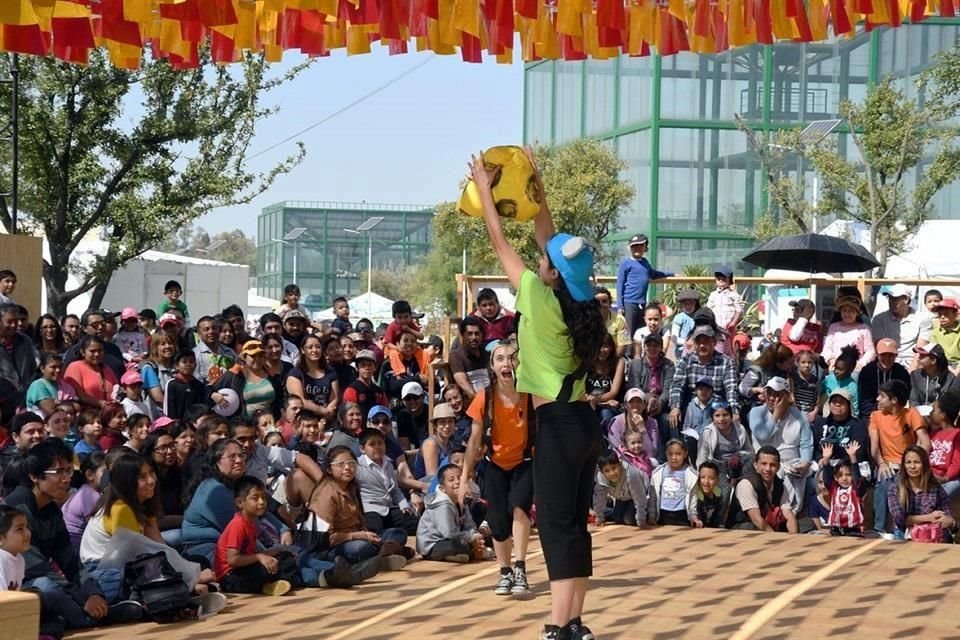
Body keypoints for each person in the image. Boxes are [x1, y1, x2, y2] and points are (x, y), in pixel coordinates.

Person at [470, 149, 606, 640]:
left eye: (545, 258)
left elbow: (498, 239)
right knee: (573, 523)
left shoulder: (536, 295)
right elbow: (547, 237)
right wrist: (536, 186)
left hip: (559, 427)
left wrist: (486, 191)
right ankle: (574, 623)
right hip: (586, 425)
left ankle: (557, 622)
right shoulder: (584, 301)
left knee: (555, 525)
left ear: (550, 272)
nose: (539, 254)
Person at [6, 440, 142, 629]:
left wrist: (93, 594)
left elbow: (70, 561)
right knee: (46, 586)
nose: (66, 479)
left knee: (110, 575)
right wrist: (81, 598)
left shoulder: (51, 509)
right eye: (59, 472)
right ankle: (91, 618)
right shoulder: (16, 508)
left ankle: (74, 613)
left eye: (69, 471)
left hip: (44, 584)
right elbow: (36, 568)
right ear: (34, 476)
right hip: (13, 587)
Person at [459, 339, 534, 597]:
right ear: (492, 366)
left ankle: (520, 567)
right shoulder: (484, 397)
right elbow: (474, 440)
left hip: (525, 462)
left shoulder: (531, 395)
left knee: (520, 509)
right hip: (495, 464)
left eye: (512, 357)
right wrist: (463, 480)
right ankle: (504, 572)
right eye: (500, 358)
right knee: (498, 520)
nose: (507, 363)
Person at [308, 445, 411, 570]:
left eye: (351, 463)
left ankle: (380, 556)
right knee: (361, 548)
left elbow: (360, 521)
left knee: (398, 533)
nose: (347, 468)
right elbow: (325, 539)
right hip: (333, 546)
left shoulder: (352, 487)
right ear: (329, 469)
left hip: (358, 537)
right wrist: (359, 536)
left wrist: (367, 535)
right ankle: (384, 554)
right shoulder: (325, 494)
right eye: (341, 464)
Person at [869, 379, 931, 534]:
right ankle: (880, 530)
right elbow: (874, 447)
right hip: (887, 464)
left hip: (908, 465)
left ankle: (901, 529)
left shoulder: (911, 414)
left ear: (894, 400)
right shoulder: (876, 416)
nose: (878, 399)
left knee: (901, 484)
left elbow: (925, 443)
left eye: (882, 396)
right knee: (884, 481)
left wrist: (914, 464)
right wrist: (881, 463)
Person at [748, 377, 813, 512]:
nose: (772, 398)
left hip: (793, 464)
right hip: (765, 465)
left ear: (786, 396)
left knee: (810, 482)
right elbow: (762, 434)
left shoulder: (800, 417)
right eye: (770, 393)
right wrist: (776, 414)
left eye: (777, 394)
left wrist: (805, 463)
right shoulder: (756, 412)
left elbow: (806, 444)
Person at [668, 325, 740, 430]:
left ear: (714, 342)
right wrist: (675, 406)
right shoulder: (685, 360)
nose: (702, 345)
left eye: (706, 341)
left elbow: (731, 389)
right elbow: (677, 385)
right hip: (691, 406)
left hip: (716, 407)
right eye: (698, 342)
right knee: (672, 419)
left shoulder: (726, 362)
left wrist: (734, 411)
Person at [416, 463, 486, 563]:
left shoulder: (462, 500)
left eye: (459, 478)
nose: (457, 482)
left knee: (484, 538)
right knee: (462, 544)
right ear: (442, 488)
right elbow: (448, 533)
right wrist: (471, 538)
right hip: (433, 545)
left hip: (452, 538)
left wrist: (475, 535)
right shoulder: (442, 506)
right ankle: (458, 554)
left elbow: (469, 525)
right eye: (451, 480)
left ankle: (457, 555)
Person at [357, 428, 419, 536]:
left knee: (415, 523)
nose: (377, 447)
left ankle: (390, 532)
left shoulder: (388, 463)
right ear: (362, 449)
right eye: (372, 444)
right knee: (373, 529)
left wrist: (404, 505)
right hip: (370, 510)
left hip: (389, 508)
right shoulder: (358, 466)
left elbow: (395, 490)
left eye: (380, 443)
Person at [887, 446, 956, 541]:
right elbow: (900, 519)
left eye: (917, 462)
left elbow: (946, 516)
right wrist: (929, 517)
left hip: (931, 536)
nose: (912, 466)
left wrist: (950, 522)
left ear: (924, 464)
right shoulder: (895, 489)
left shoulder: (936, 488)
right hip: (904, 536)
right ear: (904, 465)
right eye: (908, 462)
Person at [729, 445, 799, 533]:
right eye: (764, 464)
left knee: (806, 523)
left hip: (769, 523)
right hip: (744, 526)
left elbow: (787, 513)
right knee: (752, 527)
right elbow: (756, 518)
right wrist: (776, 539)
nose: (768, 469)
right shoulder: (746, 484)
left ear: (778, 467)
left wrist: (794, 536)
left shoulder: (780, 484)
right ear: (755, 465)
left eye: (772, 465)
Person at [615, 234, 673, 338]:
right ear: (630, 248)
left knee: (641, 332)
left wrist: (671, 274)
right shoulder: (625, 263)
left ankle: (640, 353)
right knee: (628, 333)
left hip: (641, 304)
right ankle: (626, 354)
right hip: (629, 303)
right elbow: (620, 285)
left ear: (645, 248)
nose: (637, 248)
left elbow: (653, 274)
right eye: (634, 246)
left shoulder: (645, 263)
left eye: (640, 246)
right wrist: (620, 306)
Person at [626, 333, 674, 442]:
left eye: (655, 345)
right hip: (639, 404)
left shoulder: (669, 365)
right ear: (644, 347)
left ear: (661, 348)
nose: (652, 348)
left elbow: (668, 389)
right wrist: (648, 399)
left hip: (660, 406)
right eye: (649, 345)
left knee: (666, 420)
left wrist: (660, 403)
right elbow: (635, 388)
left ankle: (665, 451)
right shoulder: (635, 364)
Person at [871, 285, 931, 370]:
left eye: (895, 299)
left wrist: (911, 372)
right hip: (888, 362)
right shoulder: (879, 319)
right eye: (890, 298)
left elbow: (920, 350)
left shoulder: (923, 319)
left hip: (914, 364)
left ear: (906, 299)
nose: (891, 301)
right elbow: (880, 348)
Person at [811, 388, 870, 471]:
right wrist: (820, 459)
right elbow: (814, 447)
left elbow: (859, 452)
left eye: (842, 402)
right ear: (829, 404)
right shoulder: (820, 422)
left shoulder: (858, 425)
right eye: (834, 401)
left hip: (847, 467)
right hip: (822, 465)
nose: (837, 404)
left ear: (848, 405)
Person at [286, 334, 338, 423]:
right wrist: (323, 411)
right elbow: (300, 401)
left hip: (327, 420)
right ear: (302, 350)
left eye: (318, 347)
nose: (314, 350)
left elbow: (334, 398)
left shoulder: (330, 372)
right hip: (304, 421)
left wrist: (325, 417)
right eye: (310, 347)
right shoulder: (295, 373)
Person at [818, 441, 867, 536]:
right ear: (835, 478)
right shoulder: (834, 488)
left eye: (848, 475)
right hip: (836, 530)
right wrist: (826, 459)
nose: (844, 478)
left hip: (853, 531)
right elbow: (827, 478)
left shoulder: (855, 489)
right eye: (840, 475)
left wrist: (853, 457)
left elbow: (856, 476)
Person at [591, 450, 648, 528]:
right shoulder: (600, 479)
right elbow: (599, 499)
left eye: (614, 468)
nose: (612, 473)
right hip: (622, 496)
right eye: (607, 471)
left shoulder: (631, 474)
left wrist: (641, 519)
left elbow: (639, 498)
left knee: (629, 519)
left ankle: (647, 510)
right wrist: (599, 518)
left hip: (641, 492)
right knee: (617, 519)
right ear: (601, 472)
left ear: (620, 465)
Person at [647, 439, 698, 526]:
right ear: (666, 454)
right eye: (670, 454)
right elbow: (653, 496)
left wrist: (693, 516)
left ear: (685, 454)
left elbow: (693, 496)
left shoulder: (691, 474)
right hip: (663, 514)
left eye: (678, 454)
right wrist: (652, 515)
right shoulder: (658, 472)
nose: (674, 457)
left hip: (682, 514)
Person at [62, 452, 107, 549]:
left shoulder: (87, 490)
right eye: (105, 471)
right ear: (90, 474)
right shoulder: (91, 496)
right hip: (77, 550)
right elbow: (102, 531)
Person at [63, 336, 118, 411]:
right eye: (92, 351)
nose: (96, 354)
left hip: (109, 414)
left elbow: (117, 387)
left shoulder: (107, 369)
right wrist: (101, 403)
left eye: (100, 350)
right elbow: (78, 395)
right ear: (83, 352)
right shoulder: (75, 367)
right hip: (87, 415)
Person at [858, 338, 911, 417]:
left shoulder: (901, 372)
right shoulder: (867, 372)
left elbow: (904, 397)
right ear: (877, 354)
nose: (887, 358)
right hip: (872, 414)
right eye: (883, 354)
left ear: (896, 355)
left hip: (896, 413)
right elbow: (864, 402)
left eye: (891, 355)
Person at [822, 295, 876, 371]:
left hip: (855, 369)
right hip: (836, 367)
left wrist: (861, 363)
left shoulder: (864, 328)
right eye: (844, 310)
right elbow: (827, 348)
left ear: (857, 313)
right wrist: (831, 359)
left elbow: (870, 351)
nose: (847, 314)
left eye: (851, 311)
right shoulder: (833, 327)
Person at [584, 332, 625, 425]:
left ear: (611, 347)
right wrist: (591, 399)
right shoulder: (587, 362)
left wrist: (596, 400)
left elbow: (614, 392)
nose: (602, 350)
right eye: (599, 346)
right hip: (588, 403)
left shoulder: (619, 362)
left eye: (606, 346)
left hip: (609, 405)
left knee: (605, 415)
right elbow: (581, 389)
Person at [448, 317, 490, 404]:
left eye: (477, 333)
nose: (474, 337)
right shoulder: (456, 356)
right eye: (470, 334)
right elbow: (463, 384)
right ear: (463, 335)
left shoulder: (486, 353)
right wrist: (480, 403)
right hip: (472, 404)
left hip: (492, 400)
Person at [342, 350, 388, 426]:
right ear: (357, 368)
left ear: (375, 367)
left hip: (377, 429)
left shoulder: (379, 392)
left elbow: (385, 412)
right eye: (363, 365)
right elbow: (349, 415)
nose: (367, 368)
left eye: (370, 365)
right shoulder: (352, 390)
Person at [413, 403, 456, 481]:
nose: (447, 426)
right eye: (442, 422)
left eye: (450, 421)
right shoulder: (431, 444)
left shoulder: (450, 445)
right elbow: (432, 477)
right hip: (427, 488)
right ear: (435, 426)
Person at [928, 392, 960, 498]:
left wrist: (945, 478)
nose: (930, 413)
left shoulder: (957, 434)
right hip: (929, 476)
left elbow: (956, 462)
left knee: (938, 497)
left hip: (947, 478)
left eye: (933, 410)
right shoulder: (933, 434)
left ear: (943, 415)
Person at [26, 353, 77, 418]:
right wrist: (67, 404)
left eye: (60, 366)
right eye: (53, 367)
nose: (58, 370)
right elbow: (50, 410)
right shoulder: (37, 386)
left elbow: (76, 407)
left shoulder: (66, 386)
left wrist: (57, 403)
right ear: (42, 368)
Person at [706, 266, 743, 354]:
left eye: (724, 278)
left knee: (731, 352)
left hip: (729, 329)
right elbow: (708, 310)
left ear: (729, 280)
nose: (721, 280)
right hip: (716, 329)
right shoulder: (713, 295)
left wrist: (733, 322)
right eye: (718, 278)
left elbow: (739, 309)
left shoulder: (734, 295)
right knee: (718, 350)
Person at [910, 343, 959, 411]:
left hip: (939, 415)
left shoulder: (950, 379)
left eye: (922, 356)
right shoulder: (915, 376)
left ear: (933, 360)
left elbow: (947, 404)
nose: (918, 358)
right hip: (918, 415)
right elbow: (913, 400)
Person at [193, 316, 237, 386]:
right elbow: (195, 381)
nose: (211, 332)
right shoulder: (195, 354)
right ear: (199, 334)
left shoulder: (229, 352)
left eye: (214, 328)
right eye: (206, 329)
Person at [820, 346, 860, 419]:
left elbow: (854, 408)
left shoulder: (852, 386)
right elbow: (819, 393)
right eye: (835, 368)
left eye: (840, 369)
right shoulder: (829, 379)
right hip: (826, 414)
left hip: (842, 416)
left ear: (851, 369)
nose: (836, 371)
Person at [0, 504, 29, 592]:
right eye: (20, 529)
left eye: (27, 527)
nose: (27, 533)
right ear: (0, 539)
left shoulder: (20, 559)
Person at [594, 287, 630, 358]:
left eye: (604, 301)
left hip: (614, 358)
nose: (601, 304)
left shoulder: (620, 320)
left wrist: (611, 361)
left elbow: (623, 345)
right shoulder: (587, 320)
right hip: (593, 358)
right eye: (597, 302)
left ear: (610, 303)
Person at [791, 350, 824, 425]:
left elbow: (817, 401)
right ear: (797, 363)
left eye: (810, 362)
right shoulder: (793, 379)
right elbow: (791, 397)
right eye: (803, 362)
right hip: (795, 414)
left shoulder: (815, 380)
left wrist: (814, 412)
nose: (807, 365)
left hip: (809, 415)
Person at [689, 461, 726, 528]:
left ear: (717, 480)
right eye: (702, 477)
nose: (706, 481)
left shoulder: (718, 495)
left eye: (711, 478)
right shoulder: (695, 497)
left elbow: (718, 517)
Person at [396, 381, 429, 449]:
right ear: (403, 401)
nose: (412, 401)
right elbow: (404, 446)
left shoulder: (431, 412)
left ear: (422, 397)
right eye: (408, 398)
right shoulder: (402, 416)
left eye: (416, 397)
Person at [671, 288, 701, 359]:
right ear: (681, 305)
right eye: (685, 304)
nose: (688, 306)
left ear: (695, 304)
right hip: (681, 349)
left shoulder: (699, 316)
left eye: (691, 303)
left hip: (697, 348)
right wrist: (685, 343)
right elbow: (674, 337)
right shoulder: (679, 318)